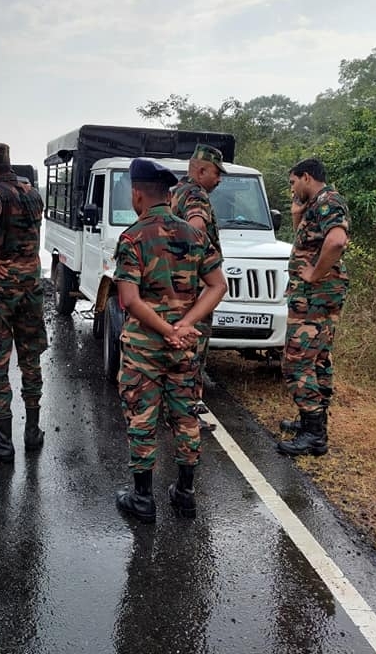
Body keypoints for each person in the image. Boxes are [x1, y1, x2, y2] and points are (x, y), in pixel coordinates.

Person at [113, 158, 228, 522]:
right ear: (168, 194)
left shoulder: (133, 237)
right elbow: (218, 285)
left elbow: (130, 300)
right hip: (184, 348)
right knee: (186, 416)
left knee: (142, 418)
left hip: (144, 349)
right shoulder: (195, 236)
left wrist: (165, 331)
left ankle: (143, 499)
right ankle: (185, 493)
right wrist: (185, 324)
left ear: (137, 195)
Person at [0, 143, 48, 463]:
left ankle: (4, 441)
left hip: (3, 290)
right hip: (31, 285)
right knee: (30, 359)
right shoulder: (32, 192)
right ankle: (33, 431)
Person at [277, 158, 350, 456]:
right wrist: (297, 213)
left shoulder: (328, 202)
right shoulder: (317, 204)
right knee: (318, 358)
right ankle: (314, 425)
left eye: (294, 182)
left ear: (306, 177)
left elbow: (336, 241)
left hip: (315, 295)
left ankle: (314, 434)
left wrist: (314, 274)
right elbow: (307, 242)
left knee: (296, 361)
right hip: (316, 295)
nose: (292, 189)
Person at [170, 143, 227, 416]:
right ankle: (188, 411)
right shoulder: (196, 195)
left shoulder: (175, 192)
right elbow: (197, 226)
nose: (218, 180)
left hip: (172, 289)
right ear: (201, 170)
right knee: (193, 346)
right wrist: (198, 267)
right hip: (195, 289)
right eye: (217, 173)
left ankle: (174, 405)